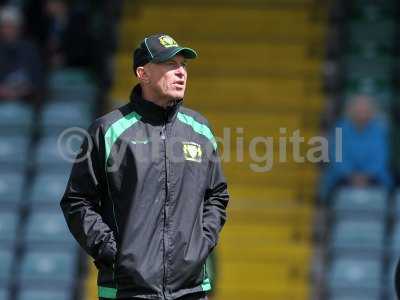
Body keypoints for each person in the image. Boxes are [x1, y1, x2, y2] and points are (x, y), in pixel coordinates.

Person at [60, 33, 229, 300]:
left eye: (183, 65)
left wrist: (201, 243)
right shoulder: (108, 130)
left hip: (191, 290)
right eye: (170, 65)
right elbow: (77, 201)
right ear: (143, 73)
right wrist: (114, 252)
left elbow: (217, 195)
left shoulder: (200, 130)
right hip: (127, 290)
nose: (181, 72)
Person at [320, 94, 392, 199]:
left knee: (385, 186)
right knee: (330, 187)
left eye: (365, 110)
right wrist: (351, 176)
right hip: (342, 176)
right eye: (358, 110)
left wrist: (366, 176)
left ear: (371, 112)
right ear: (350, 111)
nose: (361, 113)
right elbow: (337, 156)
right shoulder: (339, 128)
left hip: (374, 176)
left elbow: (380, 157)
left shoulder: (379, 130)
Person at [0, 5, 43, 103]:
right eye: (5, 26)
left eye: (11, 26)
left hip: (27, 100)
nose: (8, 30)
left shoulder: (30, 49)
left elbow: (38, 78)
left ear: (19, 27)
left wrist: (24, 89)